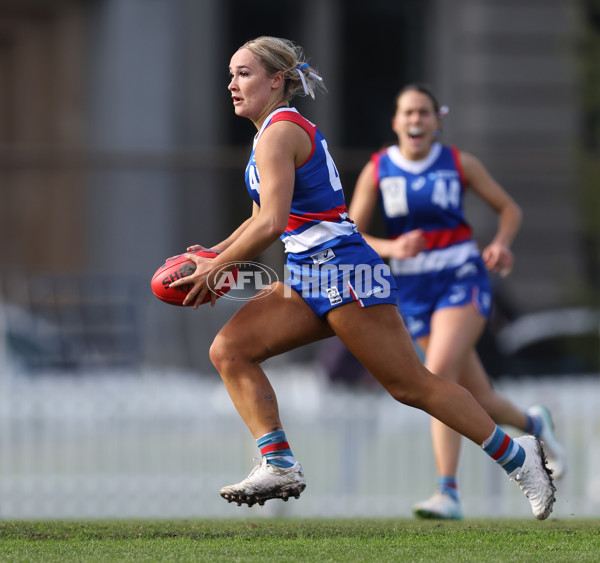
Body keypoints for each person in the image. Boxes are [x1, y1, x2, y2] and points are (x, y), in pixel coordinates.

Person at [169, 37, 555, 520]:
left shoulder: (279, 132)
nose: (232, 84)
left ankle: (521, 460)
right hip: (309, 273)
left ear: (276, 80)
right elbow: (257, 221)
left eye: (244, 73)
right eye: (231, 73)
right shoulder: (266, 134)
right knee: (229, 350)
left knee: (411, 385)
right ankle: (279, 462)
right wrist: (213, 254)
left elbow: (271, 224)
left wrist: (217, 267)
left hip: (342, 267)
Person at [347, 83, 566, 520]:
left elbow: (510, 210)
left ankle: (448, 491)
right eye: (408, 113)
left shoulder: (458, 163)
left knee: (436, 376)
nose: (415, 121)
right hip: (411, 291)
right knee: (473, 397)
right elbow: (352, 233)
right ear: (395, 122)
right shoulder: (377, 170)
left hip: (461, 278)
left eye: (424, 113)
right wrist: (391, 249)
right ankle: (536, 424)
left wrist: (502, 244)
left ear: (436, 121)